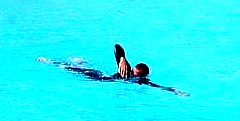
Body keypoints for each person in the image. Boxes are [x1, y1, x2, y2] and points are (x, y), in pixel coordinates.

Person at [37, 44, 187, 96]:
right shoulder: (126, 71)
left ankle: (79, 63)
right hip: (102, 78)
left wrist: (174, 90)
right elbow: (117, 47)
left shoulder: (139, 80)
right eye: (133, 70)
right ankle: (50, 62)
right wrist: (122, 58)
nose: (132, 73)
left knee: (78, 69)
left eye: (135, 72)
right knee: (72, 69)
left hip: (103, 78)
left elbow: (159, 87)